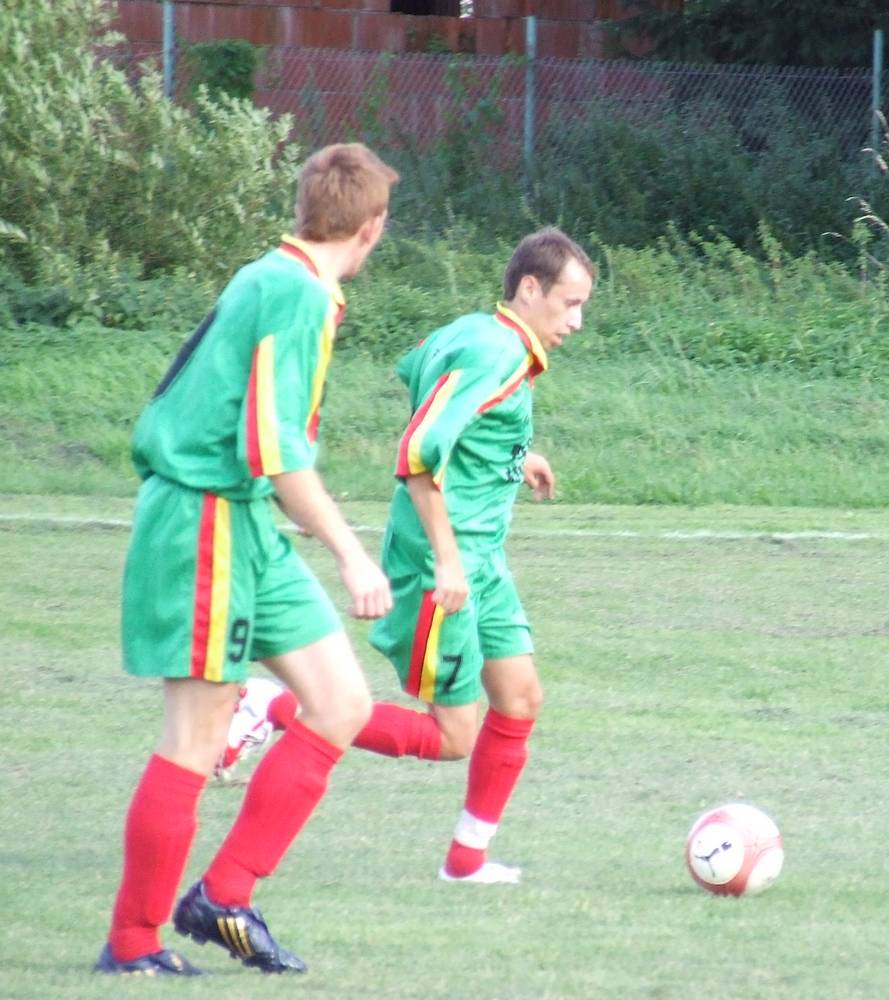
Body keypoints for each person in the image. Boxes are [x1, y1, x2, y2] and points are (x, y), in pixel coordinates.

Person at [94, 143, 398, 977]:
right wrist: (353, 556)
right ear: (371, 227)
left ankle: (224, 896)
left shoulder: (280, 275)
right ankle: (132, 944)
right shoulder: (295, 293)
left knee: (340, 702)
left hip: (246, 522)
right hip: (205, 521)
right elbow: (276, 453)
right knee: (194, 739)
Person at [224, 227, 595, 885]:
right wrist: (447, 560)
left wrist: (513, 459)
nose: (576, 321)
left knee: (519, 698)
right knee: (452, 736)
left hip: (483, 561)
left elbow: (429, 380)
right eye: (569, 304)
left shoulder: (476, 333)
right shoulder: (498, 355)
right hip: (441, 564)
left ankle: (466, 862)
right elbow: (421, 451)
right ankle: (269, 706)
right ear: (529, 288)